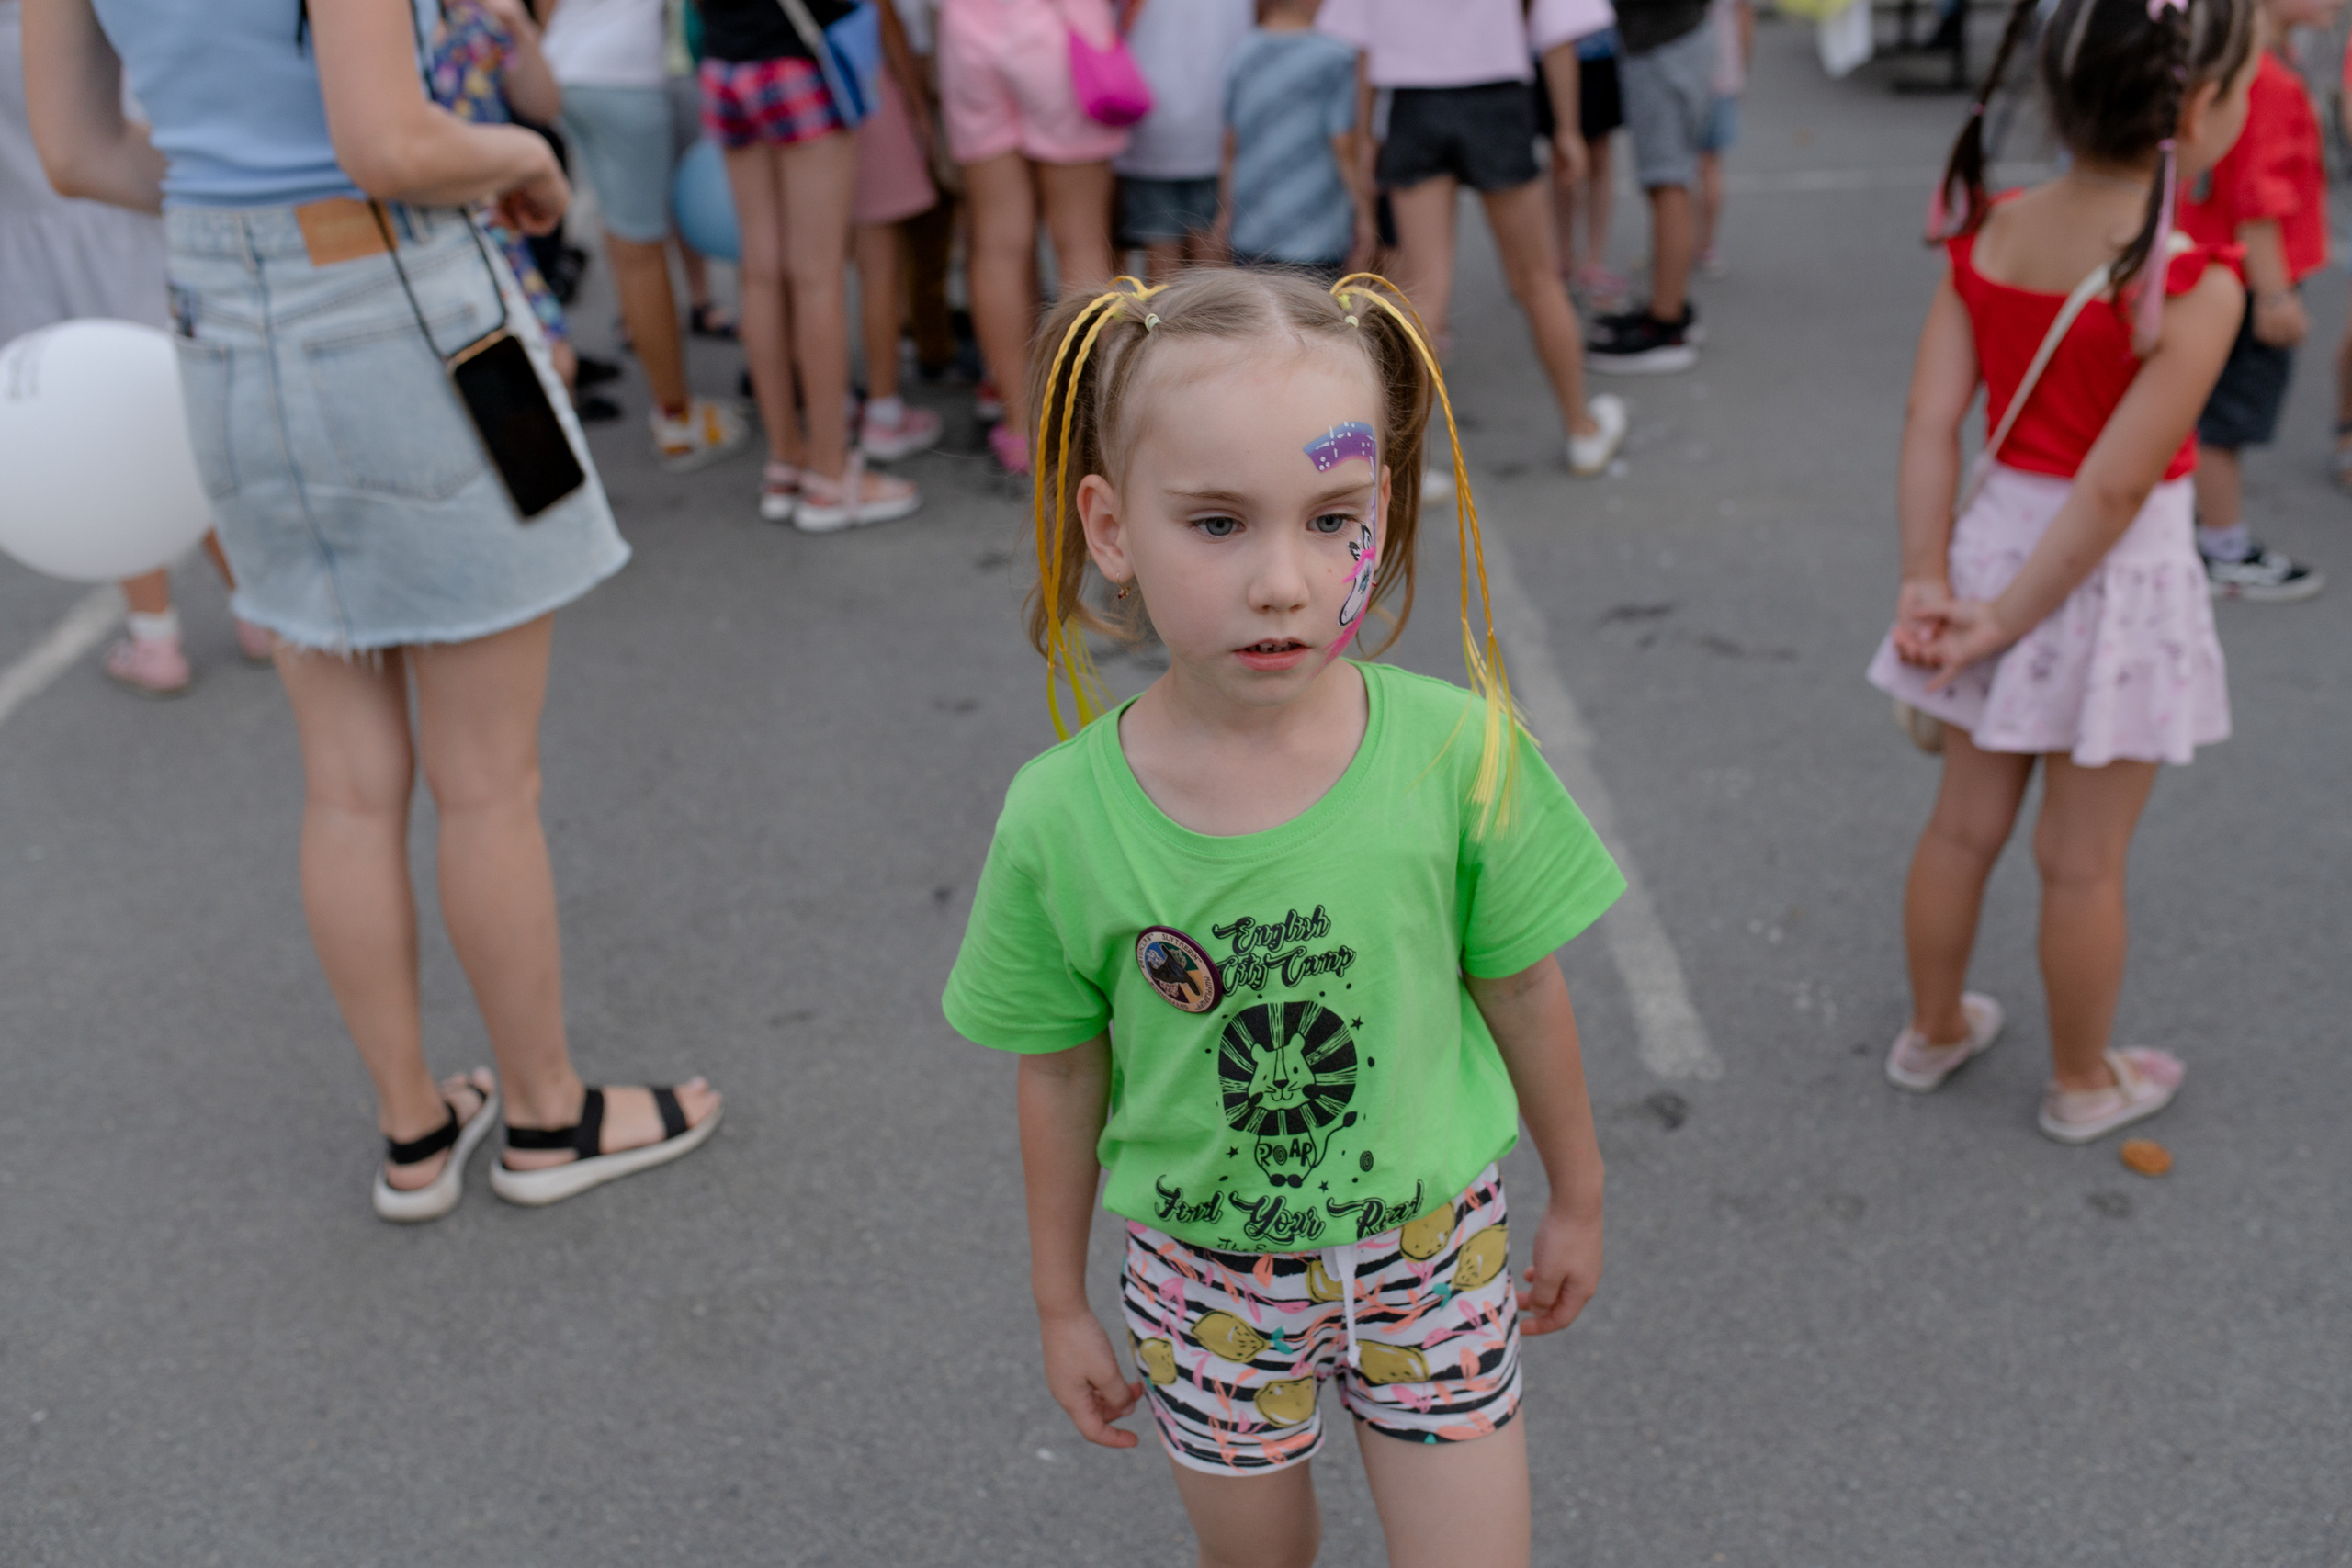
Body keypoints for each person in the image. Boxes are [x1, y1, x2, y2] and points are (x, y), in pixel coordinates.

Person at [943, 267, 1623, 1567]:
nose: (1283, 580)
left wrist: (1580, 1190)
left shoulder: (1456, 753)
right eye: (1215, 521)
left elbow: (1524, 985)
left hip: (1433, 1253)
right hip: (1205, 1291)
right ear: (1110, 524)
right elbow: (1059, 1064)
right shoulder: (1061, 816)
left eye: (1332, 518)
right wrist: (1056, 1299)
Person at [25, 0, 721, 1219]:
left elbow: (76, 151)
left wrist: (243, 222)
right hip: (398, 299)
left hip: (218, 322)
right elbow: (387, 143)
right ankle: (547, 1112)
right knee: (488, 779)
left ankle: (412, 1125)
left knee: (346, 780)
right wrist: (524, 159)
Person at [1867, 0, 2255, 1145]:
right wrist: (2005, 620)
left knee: (1960, 827)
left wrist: (1929, 582)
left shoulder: (1988, 229)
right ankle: (2084, 1080)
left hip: (1988, 554)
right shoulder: (2193, 274)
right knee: (2080, 863)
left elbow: (1931, 419)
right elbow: (2115, 490)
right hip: (2107, 587)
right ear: (2195, 109)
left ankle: (1932, 1028)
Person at [1, 0, 266, 695]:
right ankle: (257, 607)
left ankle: (155, 637)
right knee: (178, 422)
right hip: (125, 220)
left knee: (91, 436)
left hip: (26, 255)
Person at [697, 0, 922, 530]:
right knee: (817, 276)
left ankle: (785, 463)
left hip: (724, 64)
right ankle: (829, 473)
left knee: (759, 271)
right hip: (796, 62)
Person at [543, 0, 749, 468]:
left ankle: (676, 411)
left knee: (625, 244)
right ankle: (676, 419)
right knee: (639, 251)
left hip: (569, 70)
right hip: (624, 77)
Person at [937, 0, 1129, 475]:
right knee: (1081, 240)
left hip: (967, 32)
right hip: (1060, 30)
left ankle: (1021, 429)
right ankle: (1086, 426)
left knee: (997, 245)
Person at [2180, 0, 2332, 602]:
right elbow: (2259, 198)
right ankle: (2223, 547)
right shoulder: (2265, 77)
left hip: (2220, 266)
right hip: (2247, 277)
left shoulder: (2251, 63)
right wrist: (2275, 294)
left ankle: (2202, 531)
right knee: (2225, 420)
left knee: (2210, 409)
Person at [1583, 0, 1713, 371]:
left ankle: (1666, 323)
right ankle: (1666, 305)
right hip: (1669, 40)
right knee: (1665, 181)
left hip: (1665, 45)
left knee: (1666, 181)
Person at [849, 0, 945, 464]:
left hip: (761, 85)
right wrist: (917, 104)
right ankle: (883, 412)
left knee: (794, 270)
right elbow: (881, 17)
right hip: (856, 88)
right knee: (878, 267)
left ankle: (832, 407)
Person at [1219, 0, 1372, 287]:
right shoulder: (1335, 57)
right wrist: (1364, 213)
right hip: (1316, 231)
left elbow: (1230, 144)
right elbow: (1343, 146)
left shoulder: (1242, 52)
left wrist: (1225, 209)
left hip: (1252, 228)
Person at [1115, 0, 1252, 281]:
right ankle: (1218, 324)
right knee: (1213, 251)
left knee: (1160, 255)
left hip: (1150, 124)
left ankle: (1163, 324)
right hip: (1220, 123)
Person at [1546, 23, 1628, 310]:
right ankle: (1562, 256)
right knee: (1560, 158)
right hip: (1552, 48)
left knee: (1599, 155)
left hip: (1598, 50)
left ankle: (1593, 260)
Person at [1691, 0, 1748, 277]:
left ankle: (1681, 239)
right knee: (1711, 164)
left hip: (1682, 72)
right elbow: (1745, 19)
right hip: (1723, 74)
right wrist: (1742, 71)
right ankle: (1706, 244)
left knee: (1681, 166)